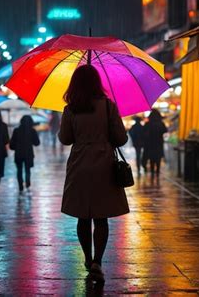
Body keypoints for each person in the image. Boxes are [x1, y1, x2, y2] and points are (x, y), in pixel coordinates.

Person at [59, 65, 129, 283]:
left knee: (82, 216)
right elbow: (121, 138)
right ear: (98, 82)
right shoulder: (108, 106)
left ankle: (88, 259)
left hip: (79, 165)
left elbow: (65, 139)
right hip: (103, 165)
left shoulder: (70, 109)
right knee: (101, 216)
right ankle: (98, 260)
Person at [9, 115, 40, 191]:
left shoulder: (16, 130)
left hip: (18, 154)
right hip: (28, 154)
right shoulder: (32, 131)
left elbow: (12, 145)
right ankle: (27, 183)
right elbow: (37, 143)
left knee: (19, 170)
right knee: (27, 169)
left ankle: (20, 185)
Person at [142, 109, 167, 176]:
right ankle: (158, 171)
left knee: (151, 158)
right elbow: (165, 130)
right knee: (158, 158)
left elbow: (144, 133)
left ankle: (152, 172)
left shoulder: (148, 124)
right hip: (159, 143)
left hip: (150, 144)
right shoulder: (161, 123)